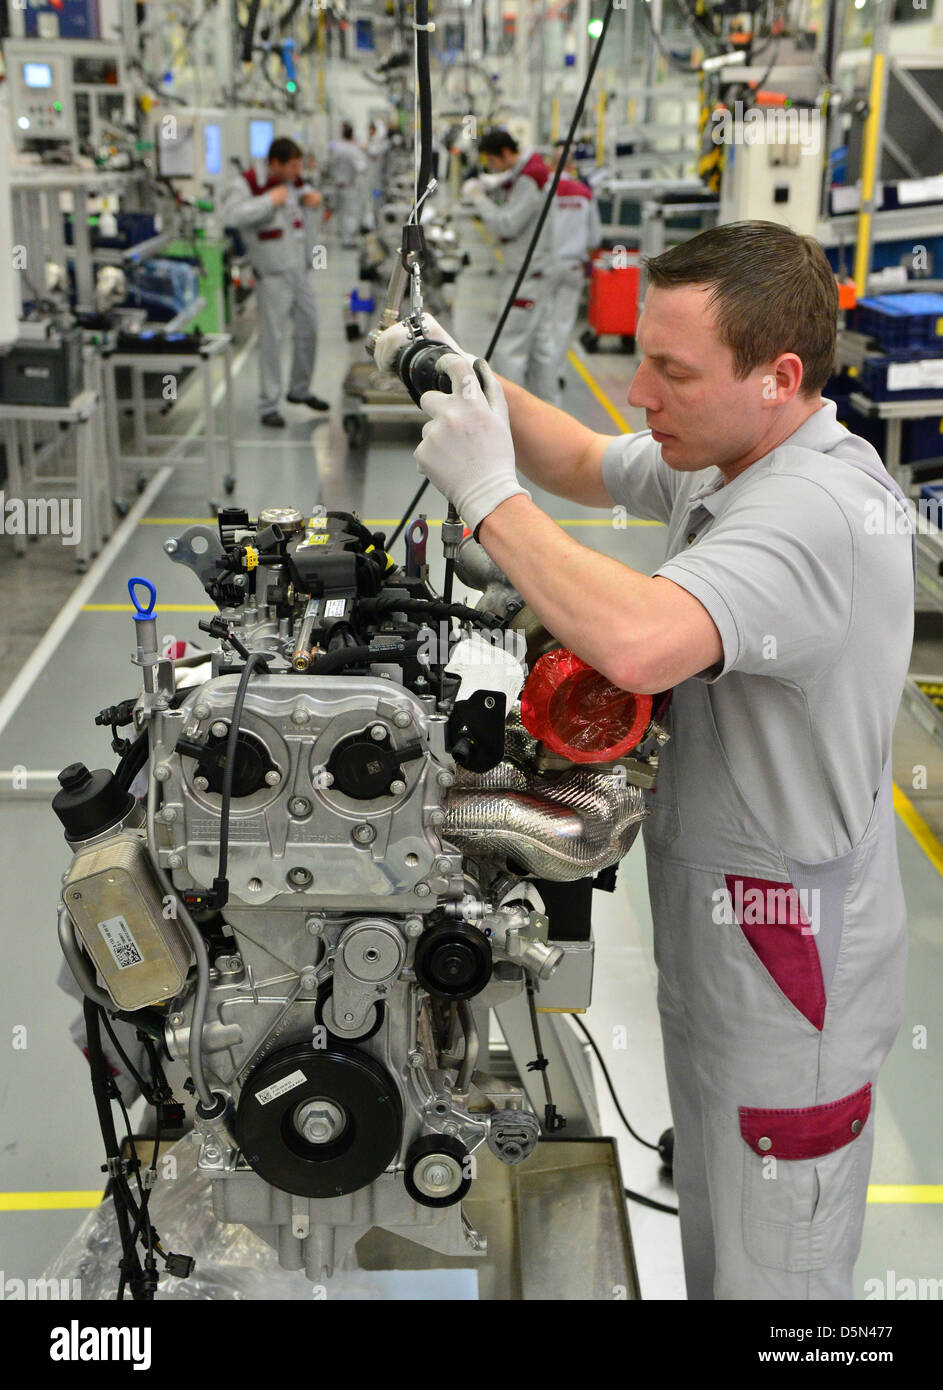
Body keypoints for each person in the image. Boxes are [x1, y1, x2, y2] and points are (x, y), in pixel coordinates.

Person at [376, 220, 915, 1300]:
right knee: (729, 1239)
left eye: (670, 371)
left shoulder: (809, 512)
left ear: (779, 376)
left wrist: (487, 498)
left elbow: (635, 639)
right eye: (640, 357)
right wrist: (458, 370)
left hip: (789, 965)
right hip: (736, 936)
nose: (636, 393)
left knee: (780, 1276)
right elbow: (578, 460)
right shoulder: (736, 456)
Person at [221, 136, 329, 428]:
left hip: (299, 271)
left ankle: (300, 389)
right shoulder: (246, 185)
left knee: (309, 328)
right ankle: (268, 403)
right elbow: (230, 217)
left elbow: (302, 214)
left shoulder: (295, 184)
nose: (298, 171)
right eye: (293, 165)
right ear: (275, 164)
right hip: (272, 276)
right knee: (273, 339)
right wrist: (269, 201)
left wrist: (314, 202)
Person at [461, 128, 555, 394]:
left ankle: (511, 416)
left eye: (492, 162)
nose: (491, 168)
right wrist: (499, 182)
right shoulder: (531, 172)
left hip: (525, 276)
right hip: (539, 273)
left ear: (504, 153)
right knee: (540, 349)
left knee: (509, 348)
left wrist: (479, 199)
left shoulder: (528, 180)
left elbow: (507, 224)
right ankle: (550, 415)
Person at [328, 122, 368, 249]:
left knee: (341, 213)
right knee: (350, 213)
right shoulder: (353, 149)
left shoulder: (337, 147)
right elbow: (361, 167)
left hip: (338, 185)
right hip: (349, 186)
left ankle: (343, 236)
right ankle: (348, 240)